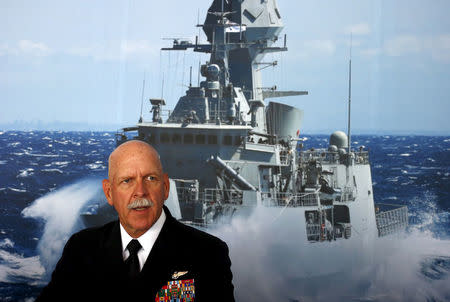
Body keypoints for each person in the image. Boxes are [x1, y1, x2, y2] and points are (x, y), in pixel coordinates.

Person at [36, 140, 235, 301]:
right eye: (127, 180)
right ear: (109, 193)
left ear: (165, 187)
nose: (139, 192)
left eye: (150, 179)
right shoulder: (81, 249)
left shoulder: (208, 254)